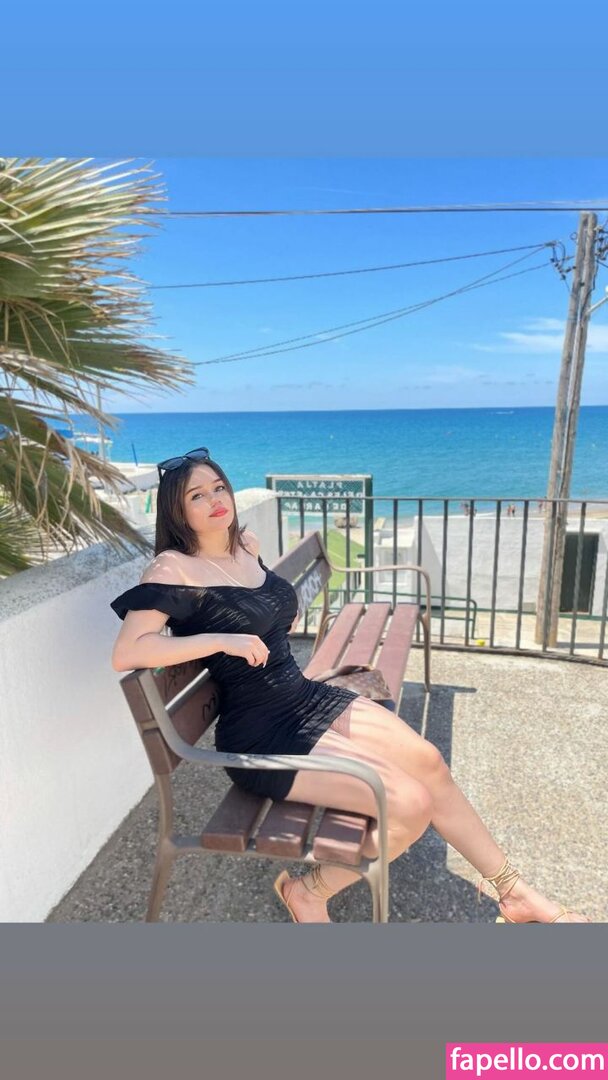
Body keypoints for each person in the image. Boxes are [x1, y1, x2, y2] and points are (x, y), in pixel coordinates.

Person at [110, 447, 591, 925]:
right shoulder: (172, 568)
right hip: (262, 734)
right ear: (177, 511)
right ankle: (306, 892)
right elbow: (127, 652)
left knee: (429, 762)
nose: (216, 500)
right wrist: (221, 639)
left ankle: (515, 893)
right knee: (408, 805)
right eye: (197, 496)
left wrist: (271, 615)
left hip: (305, 698)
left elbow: (263, 605)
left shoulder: (246, 545)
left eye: (219, 487)